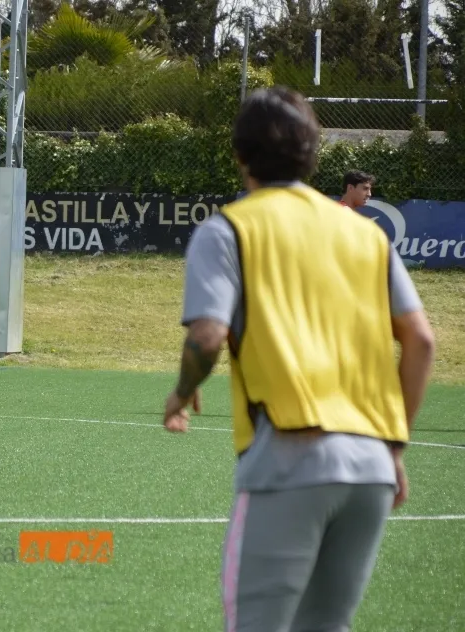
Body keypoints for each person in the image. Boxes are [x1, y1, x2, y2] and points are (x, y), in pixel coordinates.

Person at [162, 87, 435, 631]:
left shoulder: (228, 230)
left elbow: (209, 336)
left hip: (290, 459)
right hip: (372, 470)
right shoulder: (366, 235)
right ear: (314, 155)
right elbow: (422, 342)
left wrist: (182, 387)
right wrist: (395, 445)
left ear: (239, 156)